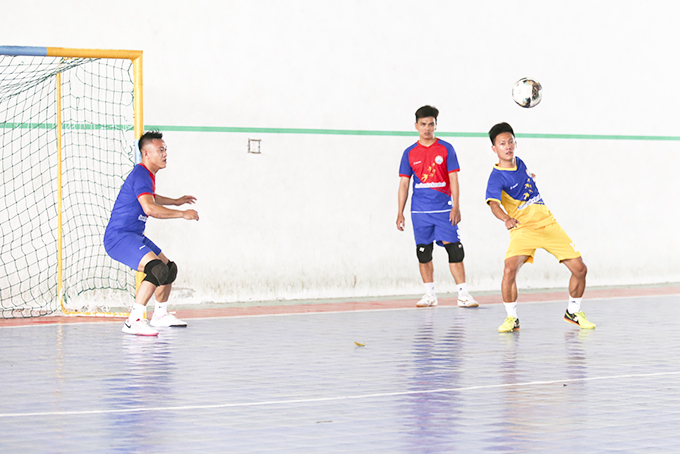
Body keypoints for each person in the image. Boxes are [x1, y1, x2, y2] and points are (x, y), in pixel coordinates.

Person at [485, 122, 595, 333]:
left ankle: (573, 312)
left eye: (510, 142)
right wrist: (506, 218)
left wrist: (530, 178)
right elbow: (493, 204)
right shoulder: (496, 177)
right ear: (494, 149)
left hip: (548, 224)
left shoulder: (520, 162)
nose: (507, 146)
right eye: (502, 144)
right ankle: (511, 318)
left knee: (580, 269)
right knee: (509, 270)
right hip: (523, 229)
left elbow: (525, 182)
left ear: (515, 143)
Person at [104, 131, 199, 336]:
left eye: (165, 149)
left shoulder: (146, 176)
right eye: (160, 150)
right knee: (156, 269)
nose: (165, 154)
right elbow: (149, 208)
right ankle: (134, 320)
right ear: (146, 154)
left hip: (134, 235)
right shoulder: (140, 173)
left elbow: (150, 197)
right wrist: (182, 213)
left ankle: (160, 316)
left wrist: (176, 200)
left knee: (168, 269)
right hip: (119, 237)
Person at [397, 105, 478, 308]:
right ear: (416, 125)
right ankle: (430, 295)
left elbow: (454, 179)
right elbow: (404, 184)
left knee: (455, 250)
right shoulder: (409, 153)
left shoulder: (446, 148)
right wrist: (400, 212)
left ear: (435, 125)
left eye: (431, 124)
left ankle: (463, 294)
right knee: (423, 252)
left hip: (444, 210)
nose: (427, 128)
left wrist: (456, 206)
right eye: (423, 124)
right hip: (420, 212)